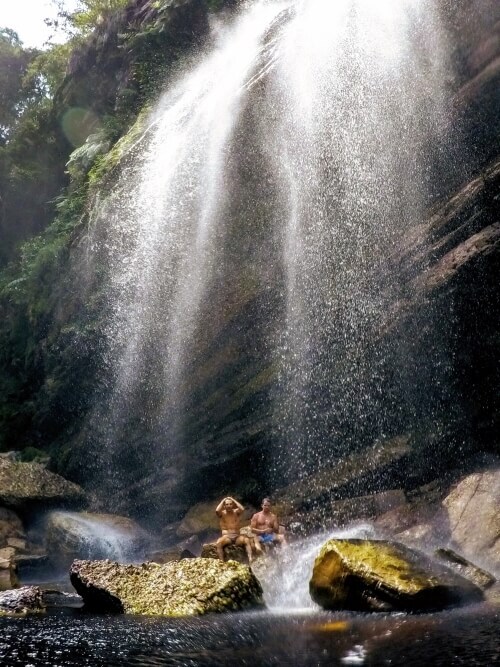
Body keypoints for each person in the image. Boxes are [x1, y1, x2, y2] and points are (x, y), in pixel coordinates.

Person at [215, 496, 253, 563]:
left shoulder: (236, 512)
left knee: (246, 540)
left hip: (237, 536)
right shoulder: (222, 514)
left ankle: (250, 558)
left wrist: (233, 499)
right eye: (227, 504)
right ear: (224, 506)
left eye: (230, 504)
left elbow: (242, 509)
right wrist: (223, 500)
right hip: (227, 537)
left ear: (232, 505)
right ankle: (222, 562)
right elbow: (217, 510)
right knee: (219, 543)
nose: (229, 506)